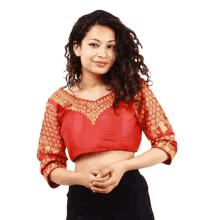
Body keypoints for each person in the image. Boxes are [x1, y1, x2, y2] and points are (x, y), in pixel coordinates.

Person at [37, 9, 178, 220]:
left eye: (110, 47)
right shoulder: (58, 102)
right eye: (94, 45)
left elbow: (166, 144)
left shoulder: (133, 90)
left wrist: (123, 167)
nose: (102, 54)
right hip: (81, 197)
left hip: (129, 193)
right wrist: (82, 179)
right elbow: (50, 164)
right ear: (77, 48)